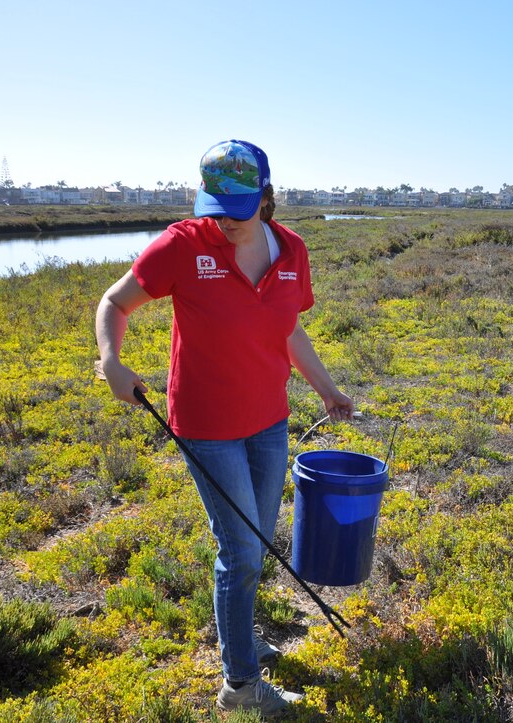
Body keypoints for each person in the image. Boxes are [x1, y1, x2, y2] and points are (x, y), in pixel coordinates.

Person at [96, 139, 354, 717]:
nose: (225, 224)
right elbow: (115, 303)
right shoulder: (184, 244)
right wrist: (112, 361)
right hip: (206, 425)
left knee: (258, 541)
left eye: (238, 211)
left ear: (265, 199)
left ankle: (241, 633)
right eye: (216, 208)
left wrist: (327, 389)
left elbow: (288, 330)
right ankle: (240, 685)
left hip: (269, 422)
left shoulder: (291, 250)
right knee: (239, 551)